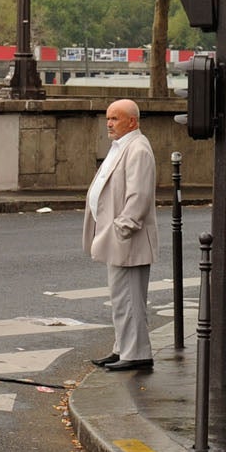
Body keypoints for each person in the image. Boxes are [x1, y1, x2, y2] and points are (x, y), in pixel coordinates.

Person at [84, 98, 158, 372]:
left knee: (129, 298)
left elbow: (139, 196)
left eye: (115, 118)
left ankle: (136, 353)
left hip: (128, 238)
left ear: (132, 121)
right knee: (121, 297)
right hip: (117, 236)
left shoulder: (138, 149)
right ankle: (122, 348)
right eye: (108, 119)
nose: (109, 124)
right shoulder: (122, 147)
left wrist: (122, 228)